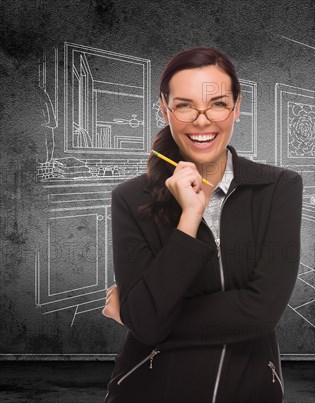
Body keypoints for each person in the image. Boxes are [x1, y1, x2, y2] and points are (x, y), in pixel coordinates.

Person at [102, 46, 303, 402]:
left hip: (250, 389)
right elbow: (146, 321)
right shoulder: (129, 198)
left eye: (218, 104)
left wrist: (136, 316)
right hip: (149, 390)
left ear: (237, 108)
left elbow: (261, 314)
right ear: (165, 109)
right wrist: (190, 219)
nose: (202, 119)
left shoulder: (280, 187)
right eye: (184, 105)